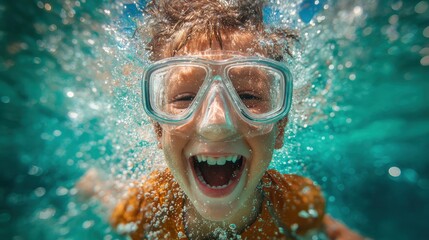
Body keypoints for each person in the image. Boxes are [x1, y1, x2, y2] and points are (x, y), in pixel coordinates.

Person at [78, 0, 366, 239]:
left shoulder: (293, 200)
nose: (216, 124)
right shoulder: (146, 207)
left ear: (279, 129)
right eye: (185, 98)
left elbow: (330, 229)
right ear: (158, 129)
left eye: (249, 97)